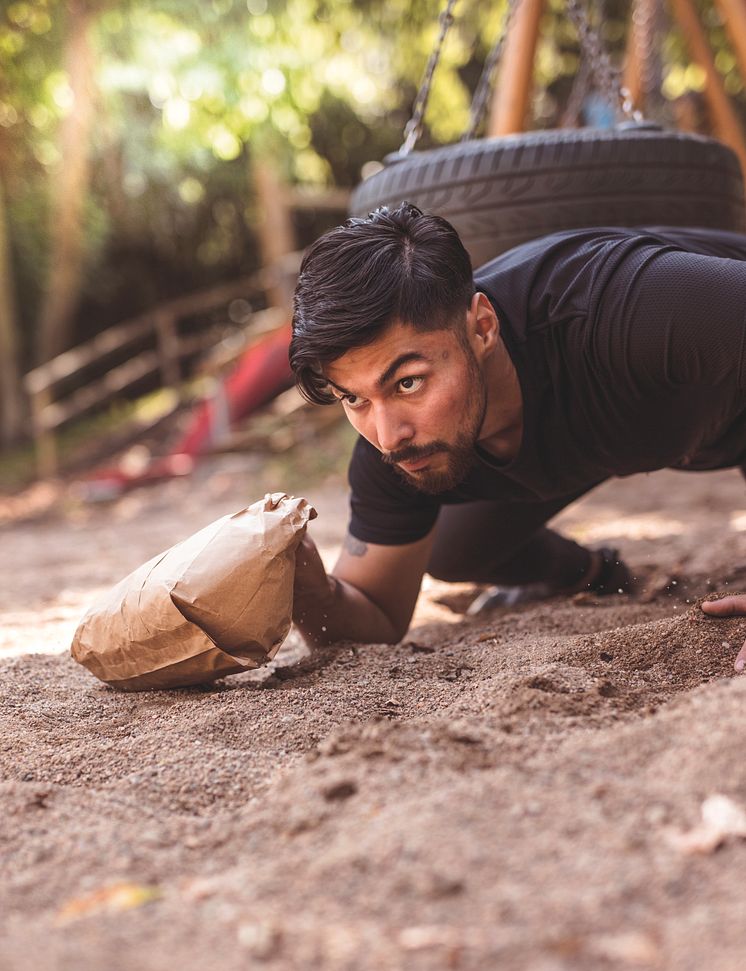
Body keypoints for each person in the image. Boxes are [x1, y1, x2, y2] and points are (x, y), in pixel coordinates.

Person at [288, 202, 746, 669]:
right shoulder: (398, 443)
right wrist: (305, 587)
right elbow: (376, 610)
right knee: (451, 549)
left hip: (733, 411)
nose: (387, 436)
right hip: (654, 429)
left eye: (408, 382)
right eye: (354, 399)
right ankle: (588, 573)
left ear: (482, 327)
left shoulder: (615, 304)